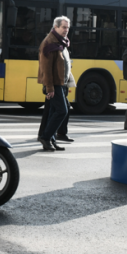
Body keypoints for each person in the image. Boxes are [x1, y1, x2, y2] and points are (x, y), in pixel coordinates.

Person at [38, 16, 74, 152]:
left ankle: (51, 140)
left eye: (68, 28)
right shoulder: (49, 43)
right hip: (54, 84)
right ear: (56, 27)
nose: (66, 30)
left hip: (62, 83)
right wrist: (49, 88)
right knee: (62, 110)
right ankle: (46, 137)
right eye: (64, 27)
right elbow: (46, 69)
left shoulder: (61, 42)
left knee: (54, 111)